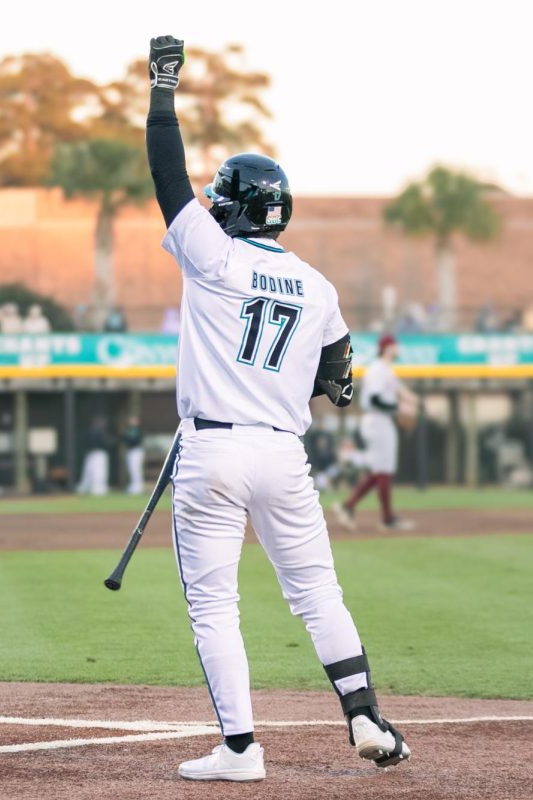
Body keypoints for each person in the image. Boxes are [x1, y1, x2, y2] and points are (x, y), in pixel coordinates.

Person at [144, 36, 409, 783]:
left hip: (214, 450)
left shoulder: (212, 254)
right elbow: (341, 368)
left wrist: (163, 86)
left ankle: (240, 751)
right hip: (284, 455)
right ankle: (364, 714)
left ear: (229, 206)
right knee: (317, 592)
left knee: (215, 607)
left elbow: (169, 173)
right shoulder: (319, 287)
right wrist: (335, 383)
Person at [334, 334, 417, 532]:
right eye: (395, 344)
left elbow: (402, 391)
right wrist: (400, 408)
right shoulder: (378, 370)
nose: (398, 348)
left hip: (381, 421)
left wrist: (411, 401)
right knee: (383, 470)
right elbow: (375, 400)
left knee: (379, 470)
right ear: (387, 347)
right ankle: (386, 519)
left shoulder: (386, 370)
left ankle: (348, 507)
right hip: (376, 420)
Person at [75, 416, 110, 496]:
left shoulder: (99, 432)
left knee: (96, 472)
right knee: (92, 472)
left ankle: (96, 488)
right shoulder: (94, 432)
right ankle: (90, 488)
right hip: (94, 453)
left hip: (97, 453)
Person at [122, 415, 145, 495]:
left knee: (136, 469)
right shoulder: (128, 430)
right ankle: (133, 485)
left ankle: (138, 486)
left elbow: (135, 440)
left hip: (137, 451)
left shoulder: (139, 430)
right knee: (131, 469)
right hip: (130, 451)